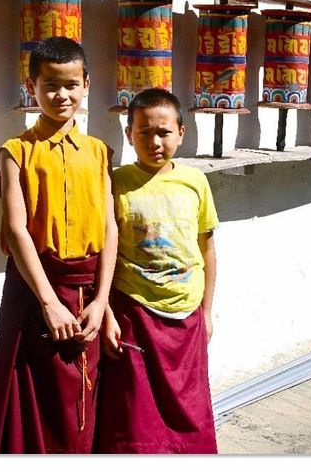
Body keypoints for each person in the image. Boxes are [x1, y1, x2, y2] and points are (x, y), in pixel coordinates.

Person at [0, 37, 117, 454]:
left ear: (86, 85)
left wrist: (102, 301)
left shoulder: (99, 153)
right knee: (33, 404)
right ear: (31, 87)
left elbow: (110, 228)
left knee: (84, 403)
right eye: (50, 85)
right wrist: (49, 303)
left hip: (88, 295)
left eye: (71, 85)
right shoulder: (16, 152)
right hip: (36, 291)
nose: (62, 95)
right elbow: (17, 230)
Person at [96, 88, 219, 454]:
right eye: (144, 132)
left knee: (189, 409)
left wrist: (207, 311)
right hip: (134, 312)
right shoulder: (116, 184)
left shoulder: (195, 182)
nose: (154, 142)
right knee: (135, 412)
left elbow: (207, 249)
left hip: (186, 314)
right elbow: (103, 252)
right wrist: (107, 314)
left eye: (164, 132)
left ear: (181, 132)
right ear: (128, 134)